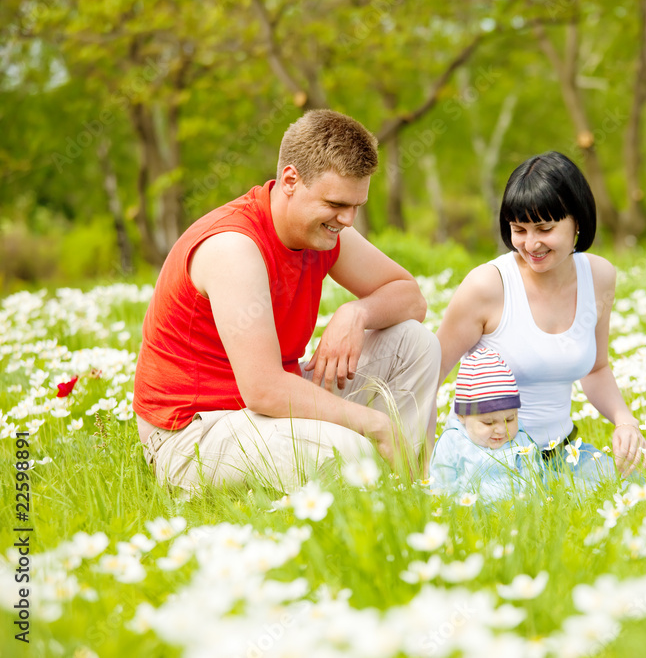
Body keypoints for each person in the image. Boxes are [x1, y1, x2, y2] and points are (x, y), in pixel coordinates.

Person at [133, 110, 440, 492]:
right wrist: (374, 424)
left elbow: (412, 299)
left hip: (264, 409)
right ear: (291, 180)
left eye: (356, 206)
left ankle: (412, 487)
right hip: (192, 433)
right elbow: (263, 389)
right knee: (350, 454)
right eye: (336, 204)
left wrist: (357, 312)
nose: (348, 220)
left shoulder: (321, 229)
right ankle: (379, 467)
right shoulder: (235, 247)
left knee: (416, 343)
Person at [435, 151, 646, 480]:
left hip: (560, 454)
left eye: (544, 228)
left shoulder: (599, 276)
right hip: (487, 459)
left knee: (633, 488)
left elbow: (596, 368)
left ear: (577, 221)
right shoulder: (487, 286)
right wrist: (420, 465)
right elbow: (428, 377)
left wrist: (624, 421)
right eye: (519, 229)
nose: (530, 244)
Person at [428, 346, 542, 502]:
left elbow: (533, 483)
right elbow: (442, 483)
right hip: (467, 512)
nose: (502, 430)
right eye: (489, 423)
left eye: (510, 419)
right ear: (462, 416)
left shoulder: (521, 442)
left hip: (513, 512)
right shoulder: (453, 442)